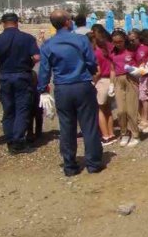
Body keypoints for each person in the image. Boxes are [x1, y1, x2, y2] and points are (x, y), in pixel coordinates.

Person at [38, 10, 104, 176]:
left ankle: (70, 165)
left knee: (67, 127)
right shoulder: (81, 40)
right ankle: (93, 163)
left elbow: (44, 71)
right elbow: (91, 62)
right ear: (67, 22)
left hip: (62, 87)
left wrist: (43, 90)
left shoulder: (48, 44)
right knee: (89, 125)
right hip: (82, 84)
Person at [0, 12, 40, 154]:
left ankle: (10, 140)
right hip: (23, 75)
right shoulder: (27, 38)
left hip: (5, 77)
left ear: (3, 23)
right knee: (22, 109)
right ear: (17, 22)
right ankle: (18, 141)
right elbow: (37, 57)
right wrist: (29, 65)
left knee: (8, 110)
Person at [109, 30, 141, 147]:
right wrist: (111, 84)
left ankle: (135, 133)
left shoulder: (132, 51)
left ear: (124, 40)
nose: (118, 44)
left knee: (131, 109)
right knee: (121, 110)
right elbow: (112, 69)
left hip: (130, 79)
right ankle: (124, 132)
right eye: (115, 42)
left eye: (120, 41)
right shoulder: (112, 53)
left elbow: (141, 65)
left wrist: (136, 71)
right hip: (118, 80)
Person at [90, 24, 116, 145]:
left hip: (101, 80)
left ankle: (105, 135)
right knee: (108, 109)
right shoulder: (110, 47)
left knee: (100, 110)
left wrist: (92, 82)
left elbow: (98, 71)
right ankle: (111, 134)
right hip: (111, 79)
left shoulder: (96, 52)